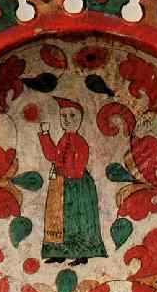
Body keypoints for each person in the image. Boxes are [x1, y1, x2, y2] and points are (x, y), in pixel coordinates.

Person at [38, 97, 108, 266]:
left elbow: (78, 167)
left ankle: (82, 254)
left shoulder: (79, 142)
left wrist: (64, 174)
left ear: (80, 119)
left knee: (78, 219)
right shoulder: (64, 139)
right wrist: (45, 135)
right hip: (63, 183)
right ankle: (59, 252)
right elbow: (53, 156)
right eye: (63, 116)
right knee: (59, 218)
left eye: (72, 116)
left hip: (77, 185)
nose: (67, 120)